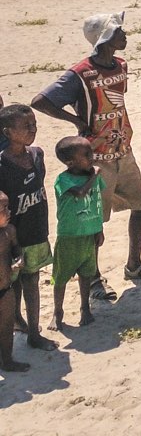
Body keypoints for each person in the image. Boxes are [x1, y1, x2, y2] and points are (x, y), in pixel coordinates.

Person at [31, 11, 141, 292]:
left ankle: (134, 264)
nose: (125, 35)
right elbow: (41, 101)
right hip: (94, 158)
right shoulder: (80, 73)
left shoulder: (121, 65)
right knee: (95, 221)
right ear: (106, 37)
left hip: (123, 149)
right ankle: (94, 278)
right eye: (119, 31)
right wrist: (76, 121)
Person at [0, 104, 56, 352]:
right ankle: (14, 326)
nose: (32, 130)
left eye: (34, 125)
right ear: (7, 132)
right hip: (11, 238)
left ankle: (34, 331)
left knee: (32, 280)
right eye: (26, 127)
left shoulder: (37, 155)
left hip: (35, 232)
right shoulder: (2, 165)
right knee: (10, 287)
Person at [49, 135, 105, 331]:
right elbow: (80, 193)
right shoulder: (63, 179)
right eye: (86, 155)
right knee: (61, 276)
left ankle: (85, 307)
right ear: (70, 162)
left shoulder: (92, 176)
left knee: (86, 273)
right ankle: (58, 312)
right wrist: (94, 176)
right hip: (69, 236)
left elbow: (98, 204)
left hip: (89, 234)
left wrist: (100, 229)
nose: (92, 157)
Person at [0, 191, 29, 371]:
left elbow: (17, 249)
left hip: (6, 289)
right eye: (4, 209)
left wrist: (19, 259)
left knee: (7, 326)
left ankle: (7, 360)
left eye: (8, 207)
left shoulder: (9, 232)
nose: (9, 212)